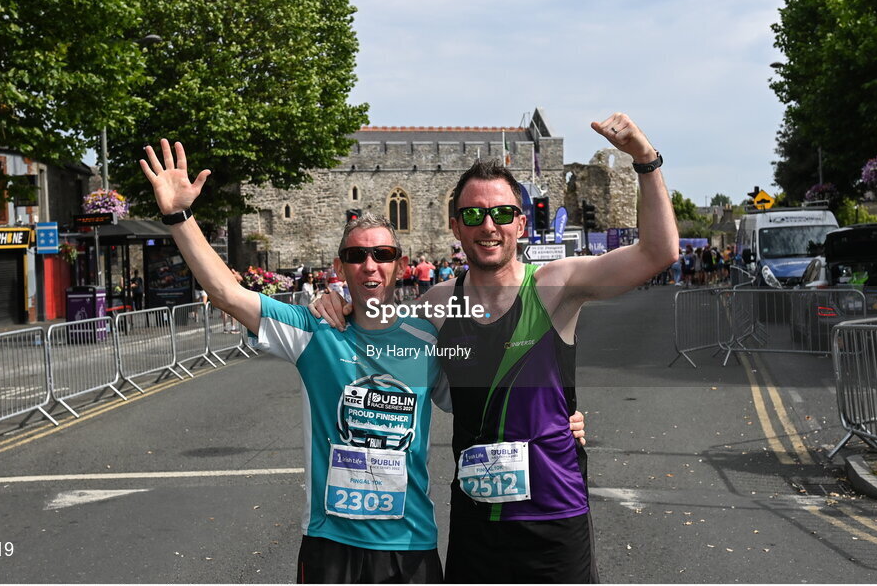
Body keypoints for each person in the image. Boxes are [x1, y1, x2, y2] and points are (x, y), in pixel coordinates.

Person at [140, 139, 585, 583]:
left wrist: (561, 417)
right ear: (341, 267)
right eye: (357, 256)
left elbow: (488, 398)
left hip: (409, 547)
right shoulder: (313, 331)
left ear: (400, 265)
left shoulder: (427, 337)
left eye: (382, 255)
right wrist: (180, 217)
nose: (370, 265)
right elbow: (227, 294)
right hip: (330, 545)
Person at [313, 113, 678, 583]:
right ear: (455, 226)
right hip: (475, 525)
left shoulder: (557, 286)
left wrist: (646, 160)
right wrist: (336, 301)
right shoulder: (438, 304)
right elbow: (374, 330)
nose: (488, 225)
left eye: (502, 213)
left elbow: (658, 253)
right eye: (473, 215)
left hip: (553, 519)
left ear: (521, 223)